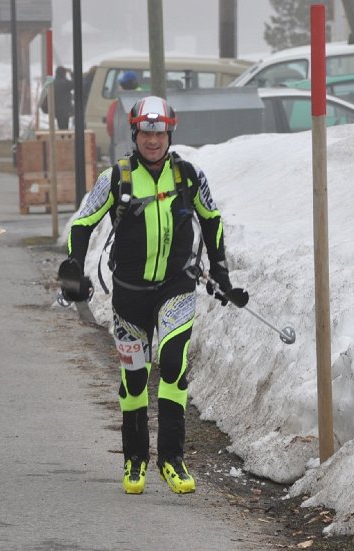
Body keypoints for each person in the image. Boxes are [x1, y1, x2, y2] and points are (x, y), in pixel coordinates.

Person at [59, 95, 249, 495]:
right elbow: (82, 224)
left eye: (159, 132)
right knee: (134, 380)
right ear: (135, 134)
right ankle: (135, 458)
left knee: (174, 365)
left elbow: (212, 220)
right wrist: (74, 266)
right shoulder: (116, 178)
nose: (153, 140)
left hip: (176, 288)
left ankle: (172, 459)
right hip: (129, 295)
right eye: (146, 132)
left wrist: (221, 274)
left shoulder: (189, 176)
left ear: (169, 134)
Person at [106, 71, 139, 162]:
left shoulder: (117, 104)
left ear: (122, 86)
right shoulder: (141, 101)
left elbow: (110, 123)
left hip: (119, 145)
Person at [53, 66, 74, 130]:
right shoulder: (65, 83)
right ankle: (63, 135)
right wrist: (71, 73)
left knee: (60, 126)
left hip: (56, 108)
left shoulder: (53, 83)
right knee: (65, 127)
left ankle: (61, 134)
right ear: (64, 73)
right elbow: (75, 83)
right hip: (65, 109)